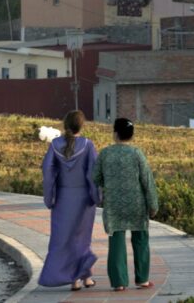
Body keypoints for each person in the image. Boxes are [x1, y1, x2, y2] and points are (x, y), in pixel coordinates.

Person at [92, 117, 159, 292]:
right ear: (131, 135)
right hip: (137, 204)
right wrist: (153, 205)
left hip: (114, 205)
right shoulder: (137, 153)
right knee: (141, 239)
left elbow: (95, 177)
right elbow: (147, 181)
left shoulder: (105, 153)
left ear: (115, 134)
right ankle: (142, 279)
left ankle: (119, 282)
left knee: (116, 241)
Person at [39, 110, 98, 291]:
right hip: (83, 198)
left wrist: (49, 198)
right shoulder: (88, 145)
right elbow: (93, 174)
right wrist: (96, 196)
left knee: (63, 238)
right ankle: (82, 278)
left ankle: (79, 278)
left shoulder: (55, 144)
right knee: (82, 238)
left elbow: (48, 172)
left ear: (65, 125)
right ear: (81, 125)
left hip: (63, 199)